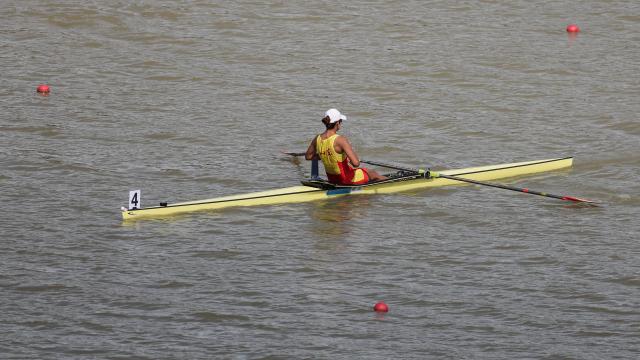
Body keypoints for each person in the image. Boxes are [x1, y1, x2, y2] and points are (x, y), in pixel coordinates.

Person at [305, 108, 387, 185]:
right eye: (341, 121)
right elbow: (356, 163)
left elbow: (308, 156)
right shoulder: (340, 140)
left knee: (359, 171)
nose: (341, 123)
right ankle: (391, 183)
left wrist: (324, 155)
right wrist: (351, 159)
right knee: (370, 172)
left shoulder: (317, 138)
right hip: (347, 180)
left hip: (332, 179)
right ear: (337, 123)